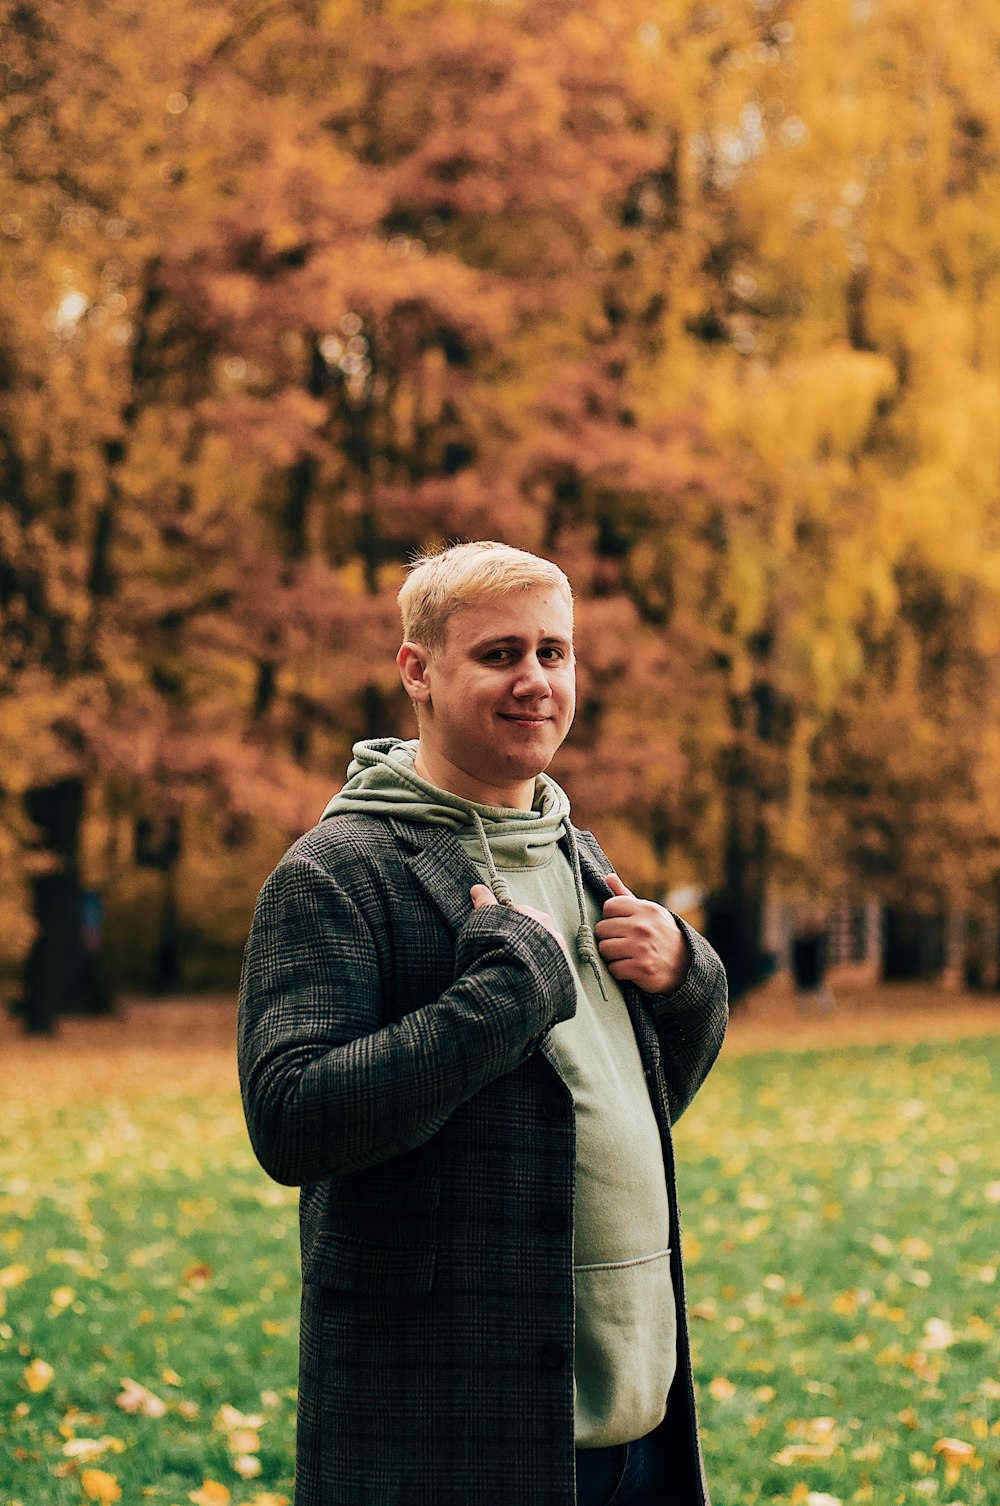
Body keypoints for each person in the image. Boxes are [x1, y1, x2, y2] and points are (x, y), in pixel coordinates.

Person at [238, 541, 728, 1506]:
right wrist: (506, 995)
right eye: (500, 654)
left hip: (639, 1417)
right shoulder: (337, 871)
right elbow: (294, 1120)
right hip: (453, 1429)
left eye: (555, 652)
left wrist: (687, 977)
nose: (535, 681)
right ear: (417, 671)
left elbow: (635, 1093)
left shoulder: (576, 850)